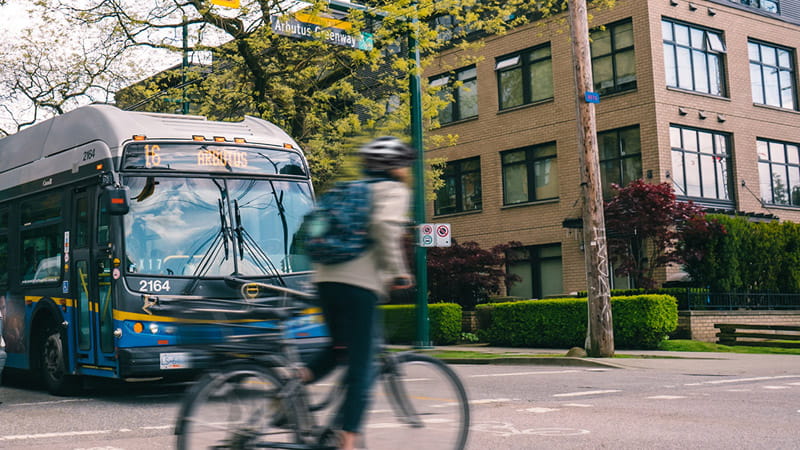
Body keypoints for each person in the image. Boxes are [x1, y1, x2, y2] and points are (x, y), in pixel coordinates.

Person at [307, 136, 416, 450]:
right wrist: (398, 272)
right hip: (358, 284)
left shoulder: (348, 189)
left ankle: (288, 385)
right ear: (397, 167)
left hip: (324, 278)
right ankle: (349, 441)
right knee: (363, 366)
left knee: (339, 349)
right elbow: (384, 226)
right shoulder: (393, 190)